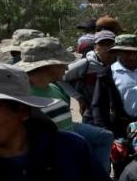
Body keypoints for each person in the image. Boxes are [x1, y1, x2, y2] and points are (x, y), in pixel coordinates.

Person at [18, 37, 114, 173]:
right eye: (62, 63)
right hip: (54, 155)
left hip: (68, 136)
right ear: (47, 66)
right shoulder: (24, 96)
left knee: (105, 136)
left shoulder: (54, 87)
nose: (67, 67)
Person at [92, 35, 137, 137]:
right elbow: (98, 105)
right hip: (119, 129)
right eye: (127, 53)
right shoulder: (107, 74)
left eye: (135, 53)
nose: (132, 57)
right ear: (118, 53)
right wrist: (103, 130)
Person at [63, 30, 117, 123]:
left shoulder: (120, 64)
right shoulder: (86, 64)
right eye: (102, 44)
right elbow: (61, 78)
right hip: (92, 113)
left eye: (110, 44)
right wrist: (78, 97)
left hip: (116, 113)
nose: (107, 48)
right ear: (95, 47)